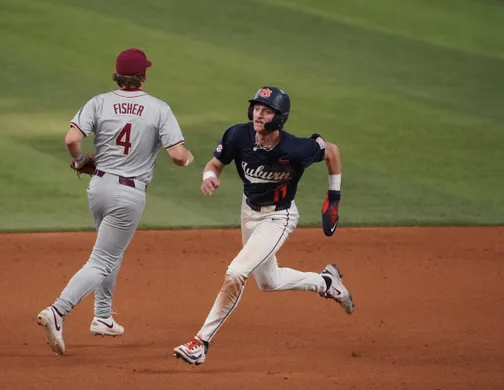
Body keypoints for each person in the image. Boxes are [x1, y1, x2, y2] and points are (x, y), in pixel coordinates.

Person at [173, 86, 354, 365]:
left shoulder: (296, 147)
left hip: (278, 217)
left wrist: (334, 198)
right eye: (257, 107)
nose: (259, 114)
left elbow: (331, 151)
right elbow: (215, 163)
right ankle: (327, 282)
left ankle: (201, 342)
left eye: (266, 110)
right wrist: (209, 175)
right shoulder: (237, 135)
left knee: (236, 272)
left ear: (279, 117)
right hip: (249, 213)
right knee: (269, 282)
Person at [37, 48, 195, 355]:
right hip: (128, 194)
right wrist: (187, 159)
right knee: (103, 259)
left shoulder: (100, 101)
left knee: (110, 251)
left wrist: (81, 158)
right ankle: (58, 311)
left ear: (118, 75)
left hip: (98, 187)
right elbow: (176, 156)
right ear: (144, 76)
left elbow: (71, 139)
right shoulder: (158, 108)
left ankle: (103, 317)